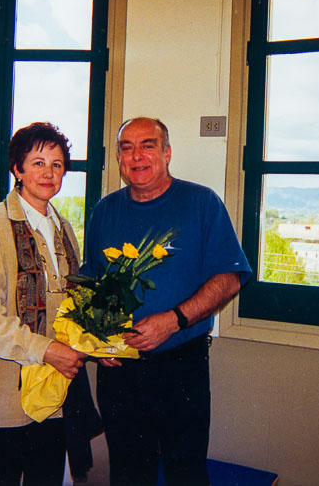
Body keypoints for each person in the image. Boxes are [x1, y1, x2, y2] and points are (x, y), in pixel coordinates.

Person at [81, 117, 252, 486]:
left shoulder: (201, 202)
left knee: (185, 473)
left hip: (180, 369)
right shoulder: (104, 210)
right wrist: (96, 341)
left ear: (167, 153)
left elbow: (230, 276)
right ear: (119, 159)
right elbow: (90, 284)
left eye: (147, 145)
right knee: (127, 474)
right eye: (127, 148)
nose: (137, 156)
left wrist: (175, 319)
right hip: (119, 372)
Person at [0, 122, 92, 486]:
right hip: (5, 393)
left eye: (57, 164)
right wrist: (45, 350)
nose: (48, 173)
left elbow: (72, 309)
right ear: (17, 170)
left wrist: (96, 345)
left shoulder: (64, 229)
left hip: (52, 394)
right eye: (37, 163)